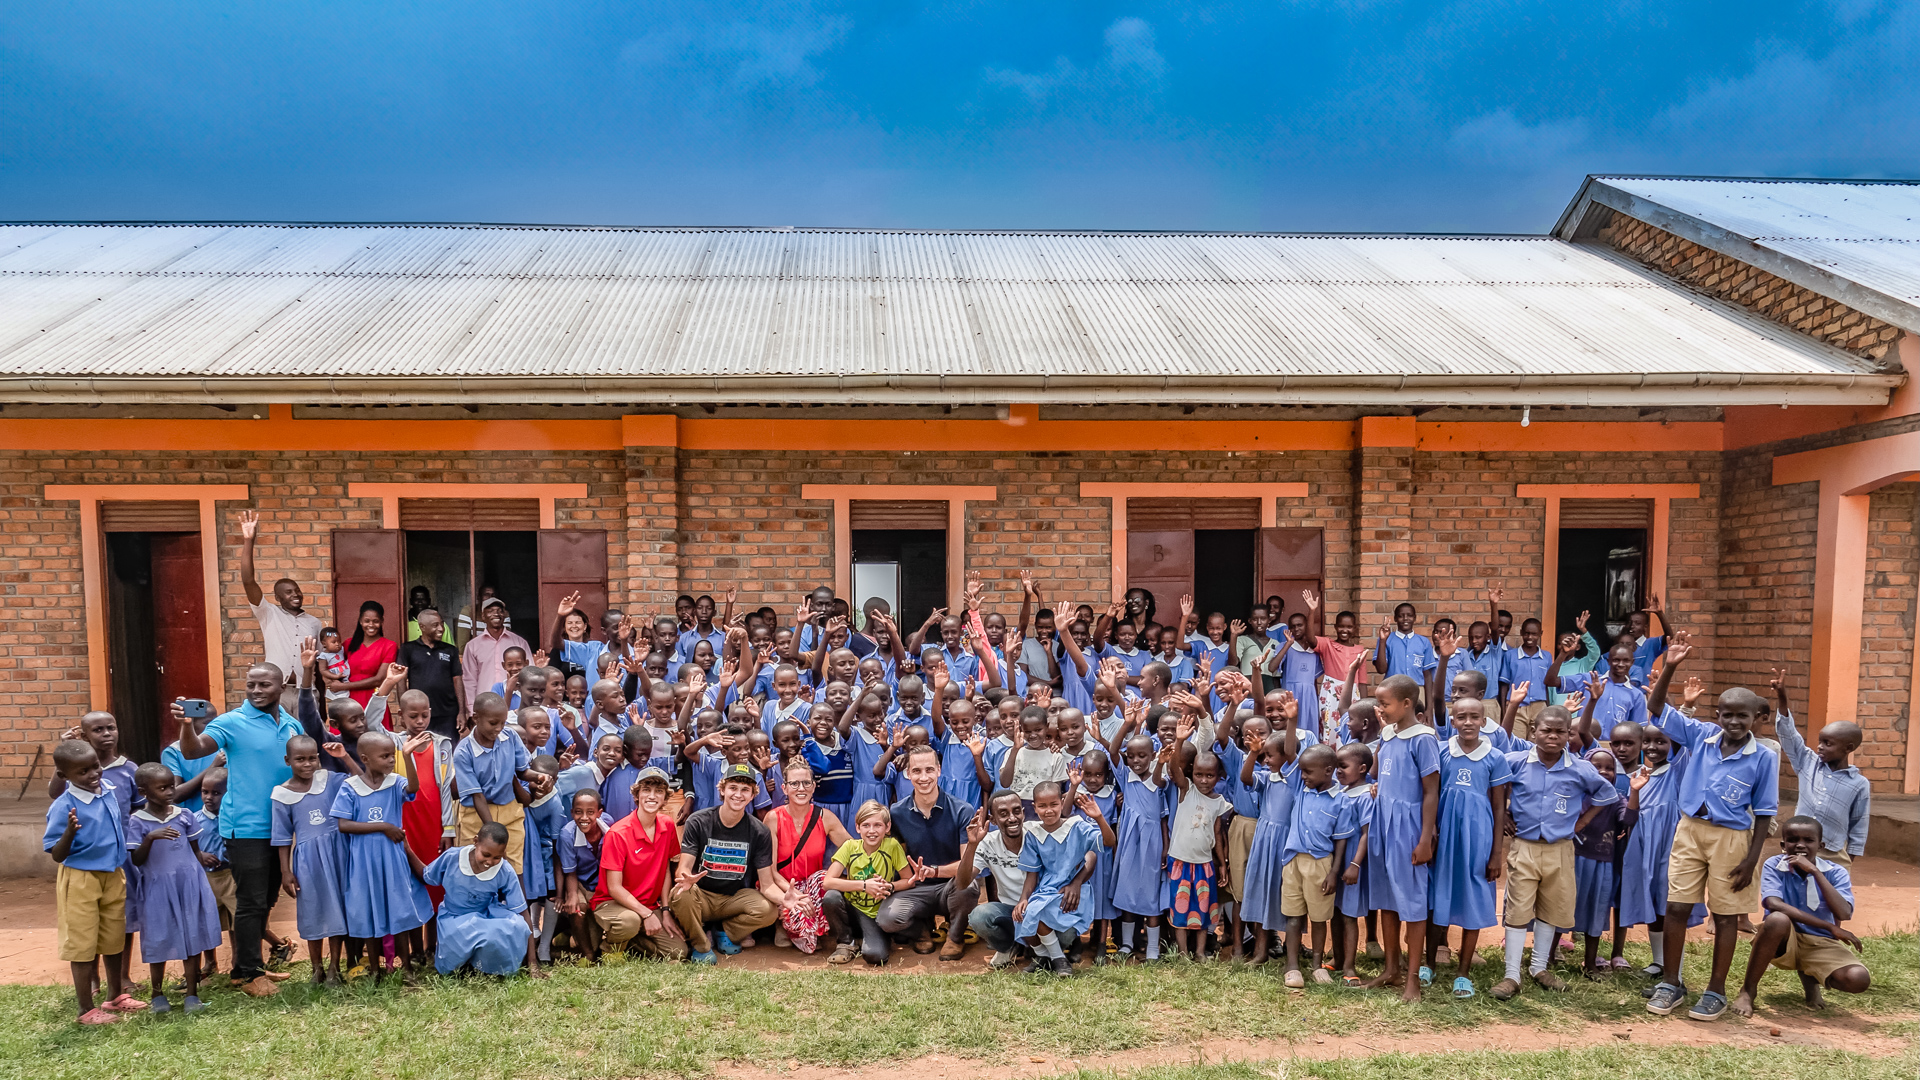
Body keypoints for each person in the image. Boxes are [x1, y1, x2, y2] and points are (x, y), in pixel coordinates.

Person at [1643, 633, 1780, 1021]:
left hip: (1733, 838)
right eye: (1726, 714)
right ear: (1716, 715)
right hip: (1689, 829)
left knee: (1725, 915)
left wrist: (1752, 860)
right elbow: (1656, 708)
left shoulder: (1763, 757)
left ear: (1756, 719)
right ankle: (1671, 982)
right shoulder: (1701, 736)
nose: (1733, 721)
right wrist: (1670, 665)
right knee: (1676, 906)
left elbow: (1766, 811)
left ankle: (1716, 991)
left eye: (1742, 715)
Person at [170, 663, 303, 996]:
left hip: (280, 827)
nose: (256, 691)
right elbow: (193, 749)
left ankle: (251, 967)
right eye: (251, 685)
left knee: (266, 901)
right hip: (246, 827)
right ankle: (246, 975)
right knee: (250, 902)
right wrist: (187, 726)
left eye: (264, 685)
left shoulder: (290, 723)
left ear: (281, 686)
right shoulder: (231, 722)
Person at [1490, 707, 1619, 1001]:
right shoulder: (1516, 762)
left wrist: (1582, 822)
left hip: (1561, 848)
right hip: (1524, 847)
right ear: (1533, 732)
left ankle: (1539, 967)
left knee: (1551, 907)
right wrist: (1505, 813)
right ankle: (1512, 974)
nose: (1552, 736)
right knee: (1518, 910)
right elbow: (1494, 785)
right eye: (1546, 730)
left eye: (1560, 732)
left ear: (1567, 735)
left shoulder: (1580, 768)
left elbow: (1606, 794)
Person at [1731, 817, 1871, 1017]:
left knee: (1858, 978)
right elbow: (1773, 903)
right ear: (1783, 845)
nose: (1800, 845)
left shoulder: (1835, 872)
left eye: (1808, 840)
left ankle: (1810, 980)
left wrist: (1814, 871)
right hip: (1782, 939)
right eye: (1793, 839)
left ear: (1820, 845)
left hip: (1820, 942)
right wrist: (1830, 926)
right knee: (1777, 919)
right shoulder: (1774, 865)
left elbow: (1843, 912)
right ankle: (1748, 990)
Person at [331, 729, 437, 980]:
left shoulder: (395, 782)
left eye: (393, 755)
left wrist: (407, 756)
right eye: (385, 756)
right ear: (365, 759)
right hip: (364, 862)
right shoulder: (351, 787)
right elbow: (343, 825)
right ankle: (376, 970)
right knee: (369, 910)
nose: (391, 760)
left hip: (393, 860)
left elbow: (413, 786)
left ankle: (407, 969)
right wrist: (383, 826)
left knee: (398, 910)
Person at [45, 739, 137, 1023]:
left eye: (95, 766)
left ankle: (115, 995)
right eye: (83, 772)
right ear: (65, 776)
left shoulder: (107, 791)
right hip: (81, 877)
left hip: (112, 873)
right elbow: (57, 855)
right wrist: (69, 833)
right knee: (83, 942)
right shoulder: (64, 806)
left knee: (113, 937)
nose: (93, 774)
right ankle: (85, 1008)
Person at [1425, 695, 1511, 999]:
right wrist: (1429, 832)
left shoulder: (1495, 756)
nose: (1468, 723)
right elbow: (1430, 794)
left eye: (1475, 717)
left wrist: (1496, 852)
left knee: (1473, 897)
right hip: (1444, 836)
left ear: (1484, 720)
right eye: (1461, 717)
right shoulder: (1441, 751)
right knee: (1437, 896)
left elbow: (1499, 807)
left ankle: (1463, 972)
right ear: (1452, 721)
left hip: (1477, 837)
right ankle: (1429, 963)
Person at [125, 762, 223, 1014]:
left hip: (189, 883)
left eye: (171, 786)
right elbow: (136, 860)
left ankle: (192, 995)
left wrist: (202, 864)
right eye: (162, 788)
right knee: (159, 937)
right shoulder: (138, 821)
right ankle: (157, 996)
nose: (169, 792)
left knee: (193, 936)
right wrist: (150, 838)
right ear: (143, 791)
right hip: (158, 888)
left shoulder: (184, 815)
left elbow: (194, 850)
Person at [1365, 674, 1440, 1002]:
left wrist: (1425, 838)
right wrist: (1379, 786)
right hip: (1383, 822)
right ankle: (1391, 970)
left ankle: (1413, 979)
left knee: (1412, 903)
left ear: (1407, 704)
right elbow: (1383, 773)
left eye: (1385, 703)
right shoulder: (1387, 734)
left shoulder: (1423, 738)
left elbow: (1430, 791)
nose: (1379, 709)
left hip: (1408, 826)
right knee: (1388, 899)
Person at [670, 763, 786, 964]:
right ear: (722, 790)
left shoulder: (759, 831)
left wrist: (785, 900)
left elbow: (767, 885)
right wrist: (685, 878)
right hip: (701, 894)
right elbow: (684, 868)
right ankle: (701, 946)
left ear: (753, 795)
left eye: (745, 790)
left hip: (733, 898)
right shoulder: (699, 821)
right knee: (680, 893)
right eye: (733, 788)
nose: (738, 795)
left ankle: (724, 931)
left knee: (768, 910)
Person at [877, 743, 980, 961]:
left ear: (939, 770)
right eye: (916, 771)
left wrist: (933, 871)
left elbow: (966, 865)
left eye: (929, 770)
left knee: (968, 885)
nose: (923, 777)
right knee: (887, 919)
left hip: (950, 886)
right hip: (916, 888)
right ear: (907, 774)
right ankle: (921, 930)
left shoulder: (962, 810)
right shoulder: (897, 812)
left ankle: (955, 935)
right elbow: (898, 860)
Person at [270, 735, 356, 985]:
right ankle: (316, 968)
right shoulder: (281, 795)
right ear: (288, 760)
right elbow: (282, 838)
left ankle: (334, 969)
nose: (307, 764)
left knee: (337, 909)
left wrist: (345, 757)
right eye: (300, 759)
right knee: (313, 910)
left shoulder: (328, 779)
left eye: (312, 758)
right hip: (308, 861)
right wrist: (285, 872)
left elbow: (361, 779)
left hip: (338, 853)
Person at [1769, 670, 1869, 866]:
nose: (1820, 747)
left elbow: (1859, 823)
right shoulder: (1808, 762)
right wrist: (1782, 696)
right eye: (1820, 741)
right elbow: (1788, 735)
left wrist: (1850, 858)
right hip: (1797, 849)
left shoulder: (1859, 784)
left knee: (1831, 895)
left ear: (1848, 748)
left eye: (1828, 743)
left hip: (1832, 852)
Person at [1011, 781, 1107, 976]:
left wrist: (1099, 818)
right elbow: (1032, 873)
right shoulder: (1033, 834)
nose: (1048, 810)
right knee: (1022, 915)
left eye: (1053, 804)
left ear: (1062, 803)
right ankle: (1049, 958)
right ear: (1034, 808)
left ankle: (1057, 959)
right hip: (1046, 891)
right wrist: (1023, 899)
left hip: (1071, 892)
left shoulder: (1077, 826)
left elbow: (1108, 843)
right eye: (1042, 806)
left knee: (1036, 913)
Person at [593, 767, 689, 960]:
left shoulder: (667, 825)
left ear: (665, 798)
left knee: (679, 952)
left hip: (649, 904)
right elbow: (614, 888)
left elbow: (665, 872)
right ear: (636, 795)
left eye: (659, 791)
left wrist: (665, 910)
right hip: (613, 903)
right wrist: (646, 914)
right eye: (646, 790)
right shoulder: (618, 833)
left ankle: (631, 942)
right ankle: (609, 951)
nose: (652, 796)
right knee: (629, 920)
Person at [421, 823, 539, 978]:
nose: (490, 862)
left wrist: (533, 964)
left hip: (485, 916)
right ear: (475, 841)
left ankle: (485, 966)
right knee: (464, 942)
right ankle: (465, 964)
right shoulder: (452, 857)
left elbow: (523, 913)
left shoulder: (505, 870)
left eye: (497, 857)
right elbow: (427, 876)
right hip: (454, 919)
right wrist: (407, 850)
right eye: (486, 854)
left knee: (516, 926)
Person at [452, 693, 551, 873]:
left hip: (509, 812)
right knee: (476, 868)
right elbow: (477, 795)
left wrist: (539, 777)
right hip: (476, 815)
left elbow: (522, 771)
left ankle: (516, 902)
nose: (499, 728)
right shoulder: (464, 752)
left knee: (513, 869)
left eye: (503, 723)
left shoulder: (510, 737)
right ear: (476, 718)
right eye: (493, 723)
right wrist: (492, 832)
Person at [238, 510, 323, 712]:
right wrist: (249, 540)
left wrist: (323, 707)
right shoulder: (269, 614)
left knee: (307, 741)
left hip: (306, 691)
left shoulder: (313, 623)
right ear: (277, 598)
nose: (295, 595)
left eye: (297, 590)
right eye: (288, 592)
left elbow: (317, 665)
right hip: (277, 692)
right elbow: (248, 580)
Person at [765, 758, 851, 954]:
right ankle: (785, 922)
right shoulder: (773, 818)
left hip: (814, 885)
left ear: (813, 787)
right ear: (784, 788)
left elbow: (851, 849)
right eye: (794, 784)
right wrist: (794, 894)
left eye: (806, 783)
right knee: (805, 938)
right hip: (783, 885)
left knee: (824, 877)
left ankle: (818, 926)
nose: (800, 788)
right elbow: (771, 871)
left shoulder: (825, 817)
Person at [1279, 744, 1347, 989]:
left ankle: (1317, 965)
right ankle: (1292, 966)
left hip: (1321, 865)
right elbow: (1288, 753)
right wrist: (1292, 720)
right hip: (1294, 861)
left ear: (1328, 771)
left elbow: (1341, 840)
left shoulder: (1341, 800)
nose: (1303, 776)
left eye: (1308, 772)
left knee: (1319, 918)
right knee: (1294, 916)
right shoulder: (1301, 788)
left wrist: (1334, 872)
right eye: (1302, 772)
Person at [821, 801, 920, 966]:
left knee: (875, 956)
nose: (872, 831)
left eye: (878, 825)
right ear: (858, 828)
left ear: (887, 827)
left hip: (875, 913)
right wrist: (865, 885)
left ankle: (873, 938)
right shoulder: (849, 847)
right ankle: (846, 943)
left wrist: (890, 886)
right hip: (852, 908)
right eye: (866, 825)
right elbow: (828, 882)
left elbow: (909, 881)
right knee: (831, 897)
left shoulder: (892, 846)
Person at [1163, 708, 1226, 961]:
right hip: (1179, 860)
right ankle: (1182, 953)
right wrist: (1179, 740)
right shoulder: (1186, 789)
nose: (1203, 780)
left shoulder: (1219, 801)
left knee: (1203, 910)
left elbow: (1218, 834)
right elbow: (1175, 767)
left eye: (1210, 776)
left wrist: (1222, 863)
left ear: (1218, 777)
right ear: (1192, 774)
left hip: (1204, 864)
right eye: (1199, 774)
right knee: (1180, 910)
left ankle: (1200, 952)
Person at [1571, 749, 1635, 979]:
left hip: (1602, 863)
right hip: (1572, 860)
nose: (1604, 772)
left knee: (1597, 911)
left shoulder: (1617, 799)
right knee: (1563, 908)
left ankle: (1590, 963)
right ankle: (1549, 957)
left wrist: (1634, 791)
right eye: (1597, 767)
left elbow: (1628, 819)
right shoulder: (1575, 795)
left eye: (1609, 768)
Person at [963, 790, 1031, 970]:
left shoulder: (1037, 834)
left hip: (1040, 909)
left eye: (1016, 811)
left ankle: (1036, 947)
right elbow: (962, 882)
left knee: (1066, 936)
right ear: (992, 820)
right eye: (1003, 814)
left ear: (1023, 812)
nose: (1012, 818)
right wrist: (971, 845)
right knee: (979, 917)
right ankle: (1009, 946)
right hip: (1010, 912)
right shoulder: (988, 842)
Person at [398, 610, 465, 738]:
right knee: (422, 752)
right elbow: (401, 680)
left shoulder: (450, 650)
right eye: (435, 625)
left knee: (447, 752)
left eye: (442, 624)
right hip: (419, 716)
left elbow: (457, 680)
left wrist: (461, 712)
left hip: (447, 714)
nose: (441, 629)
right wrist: (405, 710)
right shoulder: (408, 649)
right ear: (422, 627)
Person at [464, 597, 531, 713]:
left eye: (499, 611)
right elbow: (469, 680)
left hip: (517, 703)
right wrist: (472, 709)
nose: (496, 614)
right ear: (483, 616)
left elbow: (529, 673)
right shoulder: (472, 646)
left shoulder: (519, 642)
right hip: (485, 705)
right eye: (490, 611)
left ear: (504, 615)